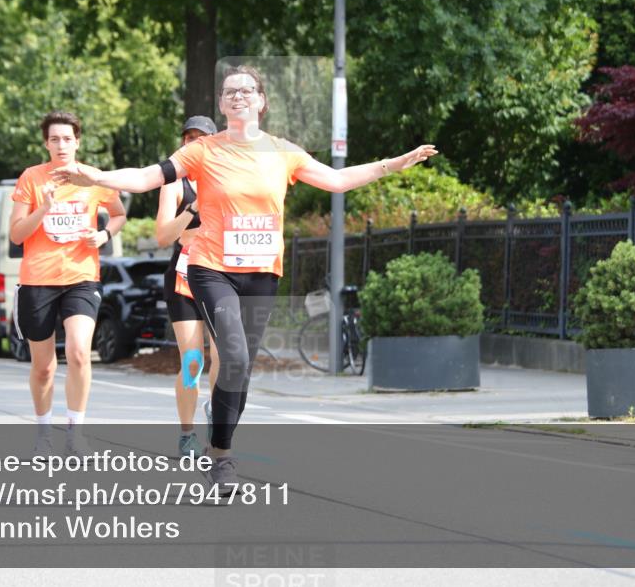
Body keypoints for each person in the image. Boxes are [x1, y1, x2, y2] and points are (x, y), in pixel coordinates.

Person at [52, 66, 439, 492]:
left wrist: (391, 164)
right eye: (229, 91)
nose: (238, 95)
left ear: (261, 101)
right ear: (221, 104)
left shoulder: (283, 152)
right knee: (232, 356)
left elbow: (337, 180)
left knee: (240, 370)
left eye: (247, 89)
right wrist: (97, 177)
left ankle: (218, 449)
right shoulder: (203, 151)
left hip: (261, 273)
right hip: (211, 268)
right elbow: (147, 177)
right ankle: (221, 459)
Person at [9, 111, 126, 457]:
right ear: (46, 144)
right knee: (44, 367)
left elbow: (118, 214)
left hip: (81, 277)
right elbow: (16, 234)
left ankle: (76, 434)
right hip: (38, 280)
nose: (61, 145)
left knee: (78, 352)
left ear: (78, 142)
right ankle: (44, 434)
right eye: (55, 139)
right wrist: (43, 208)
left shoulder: (92, 178)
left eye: (67, 139)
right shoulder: (31, 178)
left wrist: (103, 234)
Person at [155, 115, 221, 457]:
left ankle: (217, 413)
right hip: (183, 277)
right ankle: (187, 432)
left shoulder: (227, 178)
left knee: (225, 356)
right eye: (188, 137)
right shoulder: (175, 183)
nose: (193, 142)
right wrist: (192, 209)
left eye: (201, 137)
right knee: (193, 360)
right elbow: (165, 235)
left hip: (220, 275)